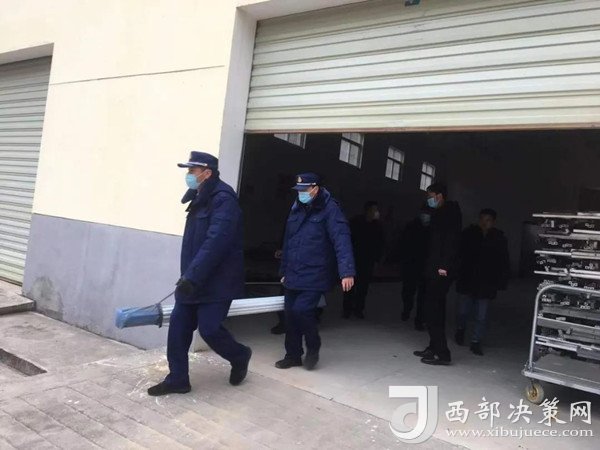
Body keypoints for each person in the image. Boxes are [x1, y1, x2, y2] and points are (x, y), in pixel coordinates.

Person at [148, 151, 251, 396]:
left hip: (218, 282)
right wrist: (188, 276)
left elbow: (216, 243)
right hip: (192, 280)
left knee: (210, 329)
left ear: (207, 173)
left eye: (192, 171)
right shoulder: (199, 196)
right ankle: (178, 379)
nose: (188, 175)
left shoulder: (223, 199)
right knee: (178, 328)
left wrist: (192, 276)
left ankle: (239, 355)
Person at [276, 173, 355, 370]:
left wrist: (346, 272)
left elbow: (341, 239)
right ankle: (293, 355)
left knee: (302, 310)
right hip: (293, 271)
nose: (300, 194)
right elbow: (288, 241)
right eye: (298, 190)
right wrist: (283, 270)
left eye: (304, 190)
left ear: (315, 189)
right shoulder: (296, 207)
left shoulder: (330, 209)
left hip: (316, 272)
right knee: (290, 314)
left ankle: (313, 346)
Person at [414, 183, 462, 366]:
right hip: (433, 268)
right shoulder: (439, 213)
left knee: (433, 310)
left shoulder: (450, 214)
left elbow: (451, 242)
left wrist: (444, 266)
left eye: (431, 196)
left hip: (441, 271)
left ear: (440, 196)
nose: (429, 199)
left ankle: (442, 353)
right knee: (433, 309)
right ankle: (433, 347)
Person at [455, 208, 509, 356]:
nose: (485, 223)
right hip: (468, 279)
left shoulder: (498, 238)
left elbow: (503, 260)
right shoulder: (469, 234)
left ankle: (476, 341)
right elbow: (459, 254)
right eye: (482, 220)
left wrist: (502, 281)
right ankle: (460, 329)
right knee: (463, 312)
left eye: (488, 220)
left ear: (493, 222)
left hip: (486, 282)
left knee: (481, 316)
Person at [343, 201, 384, 319]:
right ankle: (347, 309)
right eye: (374, 210)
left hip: (367, 261)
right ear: (368, 211)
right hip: (354, 260)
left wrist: (377, 259)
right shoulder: (355, 223)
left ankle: (358, 309)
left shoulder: (377, 227)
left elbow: (380, 244)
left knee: (363, 287)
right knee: (349, 286)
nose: (376, 213)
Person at [400, 206, 432, 330]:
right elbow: (403, 244)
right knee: (408, 292)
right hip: (411, 265)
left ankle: (419, 319)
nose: (426, 216)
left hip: (425, 267)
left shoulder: (433, 229)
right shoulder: (412, 227)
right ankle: (407, 310)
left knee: (423, 296)